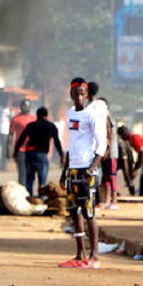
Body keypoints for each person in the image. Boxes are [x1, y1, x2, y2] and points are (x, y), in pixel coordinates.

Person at [58, 78, 107, 269]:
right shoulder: (70, 114)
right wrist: (64, 172)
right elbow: (71, 145)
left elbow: (102, 145)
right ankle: (80, 254)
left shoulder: (92, 115)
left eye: (82, 93)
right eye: (75, 93)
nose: (78, 97)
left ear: (86, 95)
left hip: (87, 170)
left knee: (89, 213)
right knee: (74, 212)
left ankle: (95, 256)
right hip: (73, 169)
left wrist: (92, 168)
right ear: (71, 94)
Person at [13, 107, 63, 196]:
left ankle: (29, 200)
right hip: (42, 155)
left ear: (37, 115)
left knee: (29, 181)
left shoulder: (31, 125)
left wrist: (16, 151)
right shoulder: (51, 126)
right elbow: (57, 141)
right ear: (46, 115)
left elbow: (22, 138)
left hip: (29, 153)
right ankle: (41, 201)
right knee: (42, 182)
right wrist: (61, 154)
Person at [117, 125, 143, 197]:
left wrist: (136, 169)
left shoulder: (135, 139)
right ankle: (142, 196)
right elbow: (141, 156)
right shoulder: (132, 140)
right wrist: (136, 167)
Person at [10, 99, 36, 188]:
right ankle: (22, 188)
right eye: (23, 105)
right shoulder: (15, 119)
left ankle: (30, 190)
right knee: (22, 171)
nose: (25, 107)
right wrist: (10, 149)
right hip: (21, 149)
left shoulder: (34, 119)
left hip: (32, 149)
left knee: (31, 171)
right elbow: (11, 134)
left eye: (27, 105)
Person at [0, 102, 12, 172]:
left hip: (1, 131)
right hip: (4, 132)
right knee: (5, 150)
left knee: (4, 150)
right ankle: (3, 167)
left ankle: (2, 166)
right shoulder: (6, 110)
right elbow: (12, 118)